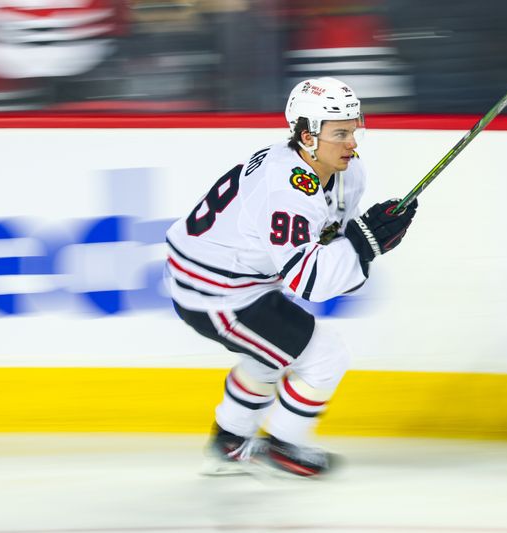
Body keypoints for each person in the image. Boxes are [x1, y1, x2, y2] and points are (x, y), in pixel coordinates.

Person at [165, 77, 418, 477]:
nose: (352, 143)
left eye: (354, 130)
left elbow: (331, 244)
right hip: (213, 291)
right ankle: (283, 446)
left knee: (268, 356)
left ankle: (229, 442)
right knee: (325, 357)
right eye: (340, 134)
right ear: (307, 137)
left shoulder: (345, 170)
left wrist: (364, 241)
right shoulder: (286, 190)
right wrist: (366, 244)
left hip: (236, 282)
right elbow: (308, 280)